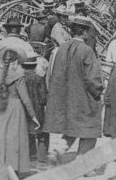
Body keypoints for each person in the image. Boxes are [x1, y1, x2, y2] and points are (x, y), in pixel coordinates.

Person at [44, 16, 104, 166]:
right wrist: (98, 93)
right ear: (83, 32)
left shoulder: (61, 48)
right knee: (89, 132)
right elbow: (93, 80)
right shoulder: (87, 50)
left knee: (71, 129)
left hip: (65, 98)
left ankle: (57, 150)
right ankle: (83, 165)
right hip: (83, 99)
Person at [0, 47, 39, 178]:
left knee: (1, 136)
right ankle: (14, 167)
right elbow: (25, 99)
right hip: (15, 107)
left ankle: (1, 165)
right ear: (16, 62)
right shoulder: (18, 76)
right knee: (15, 138)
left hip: (0, 106)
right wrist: (33, 116)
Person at [23, 53, 49, 169]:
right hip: (38, 109)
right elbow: (43, 97)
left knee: (28, 132)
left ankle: (30, 154)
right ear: (35, 66)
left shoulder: (20, 79)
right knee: (42, 134)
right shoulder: (39, 78)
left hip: (25, 110)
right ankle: (42, 157)